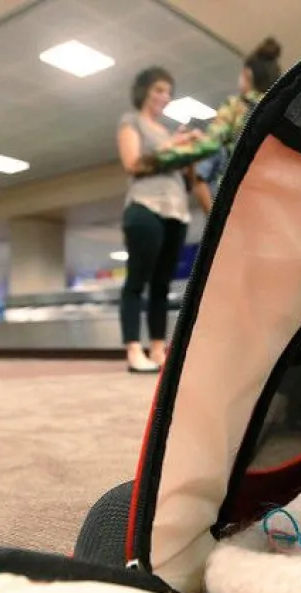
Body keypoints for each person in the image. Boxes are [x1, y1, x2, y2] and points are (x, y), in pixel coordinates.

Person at [116, 66, 205, 373]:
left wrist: (191, 152)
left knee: (161, 285)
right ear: (144, 91)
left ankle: (157, 348)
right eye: (158, 90)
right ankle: (132, 350)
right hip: (144, 207)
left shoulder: (169, 133)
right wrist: (173, 146)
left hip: (175, 211)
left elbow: (189, 181)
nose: (164, 97)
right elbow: (133, 163)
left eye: (168, 91)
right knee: (137, 281)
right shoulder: (132, 121)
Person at [192, 37, 283, 212]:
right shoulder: (280, 113)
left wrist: (196, 142)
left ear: (247, 74)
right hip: (269, 198)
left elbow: (211, 144)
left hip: (234, 197)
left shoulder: (236, 106)